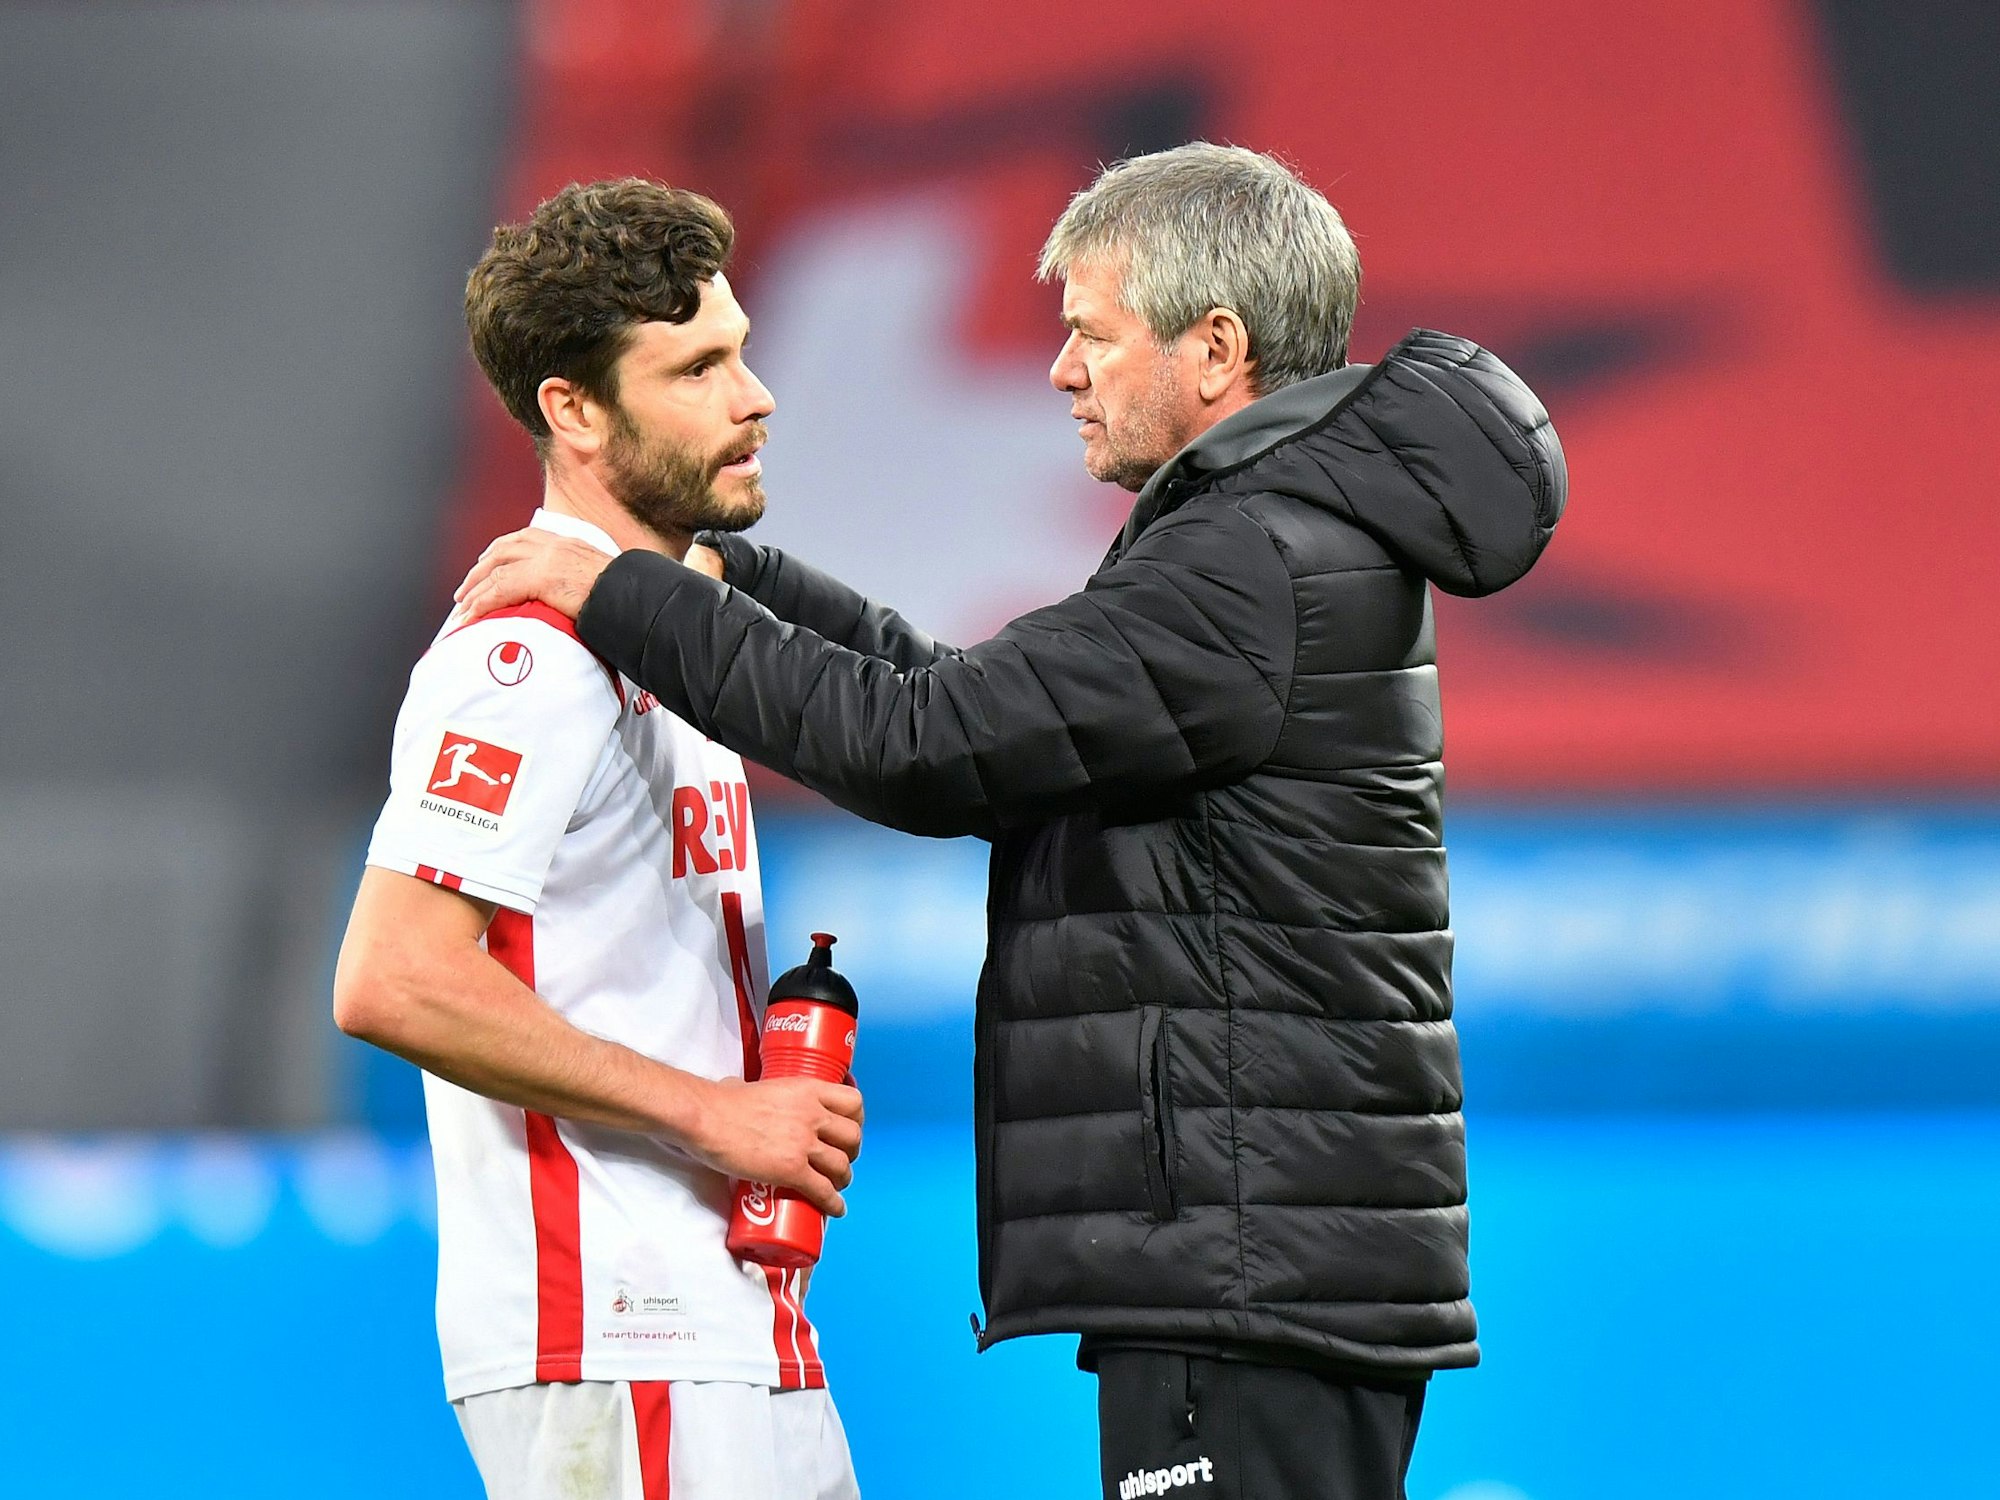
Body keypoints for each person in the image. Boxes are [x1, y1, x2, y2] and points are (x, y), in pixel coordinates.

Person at [456, 144, 1568, 1500]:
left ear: (1215, 349)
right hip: (1270, 1260)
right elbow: (975, 706)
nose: (1061, 370)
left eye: (1093, 334)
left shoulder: (1248, 561)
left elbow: (925, 747)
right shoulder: (1276, 529)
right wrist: (731, 574)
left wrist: (625, 593)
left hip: (1251, 1272)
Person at [333, 178, 865, 1500]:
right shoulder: (524, 655)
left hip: (726, 1320)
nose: (756, 397)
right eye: (696, 369)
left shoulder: (668, 631)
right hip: (619, 1328)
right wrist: (716, 1114)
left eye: (740, 351)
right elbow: (392, 976)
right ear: (573, 411)